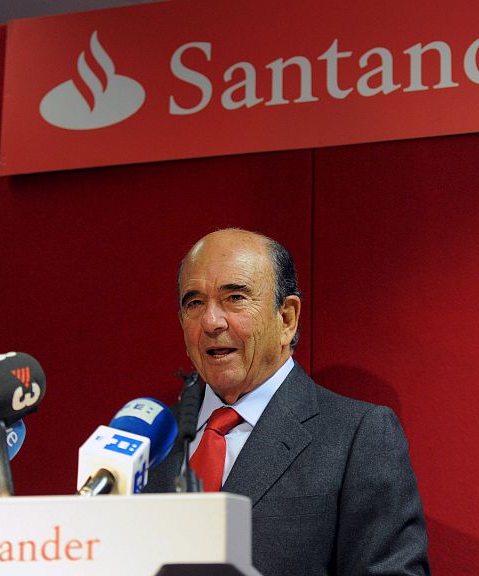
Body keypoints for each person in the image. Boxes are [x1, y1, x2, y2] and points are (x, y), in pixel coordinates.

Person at [143, 228, 430, 576]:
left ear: (287, 318)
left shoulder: (358, 437)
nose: (211, 322)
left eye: (235, 298)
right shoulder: (149, 442)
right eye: (194, 303)